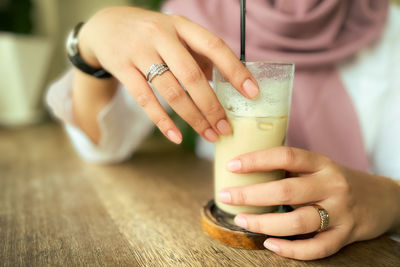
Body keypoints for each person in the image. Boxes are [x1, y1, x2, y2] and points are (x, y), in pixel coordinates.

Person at [46, 0, 400, 260]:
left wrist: (391, 199)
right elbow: (105, 143)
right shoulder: (187, 18)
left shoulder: (390, 31)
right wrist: (90, 43)